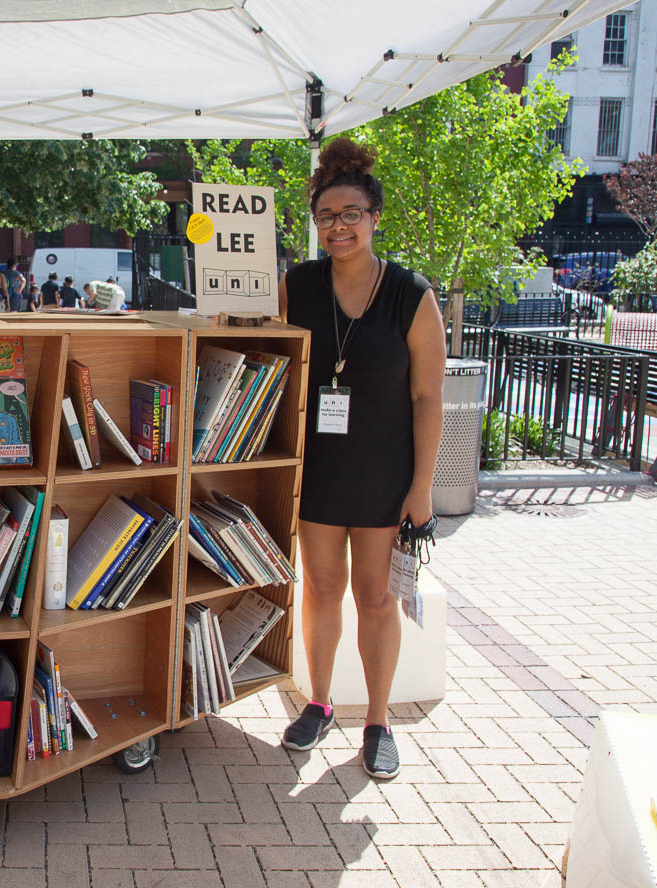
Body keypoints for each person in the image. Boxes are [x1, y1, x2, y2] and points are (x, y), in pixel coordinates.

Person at [277, 138, 445, 780]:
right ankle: (319, 702)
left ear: (374, 217)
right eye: (325, 217)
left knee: (376, 600)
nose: (337, 227)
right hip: (316, 470)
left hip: (384, 474)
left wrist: (421, 490)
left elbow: (428, 395)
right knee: (321, 591)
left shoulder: (409, 293)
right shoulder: (297, 285)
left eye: (350, 214)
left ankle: (377, 721)